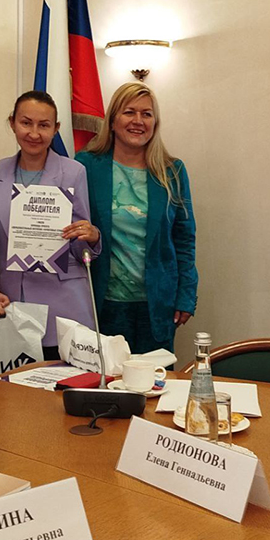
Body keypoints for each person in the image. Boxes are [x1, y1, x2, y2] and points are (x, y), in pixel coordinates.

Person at [75, 82, 198, 355]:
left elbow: (184, 239)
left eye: (147, 114)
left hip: (157, 304)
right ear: (113, 121)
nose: (138, 121)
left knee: (154, 378)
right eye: (129, 112)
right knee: (105, 379)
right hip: (102, 303)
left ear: (155, 123)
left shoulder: (172, 171)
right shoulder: (87, 165)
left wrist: (186, 296)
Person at [0, 91, 101, 359]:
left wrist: (91, 236)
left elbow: (81, 248)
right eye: (26, 123)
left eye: (44, 125)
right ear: (12, 123)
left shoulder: (74, 172)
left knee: (65, 381)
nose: (34, 133)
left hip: (64, 300)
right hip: (12, 300)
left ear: (56, 128)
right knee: (16, 382)